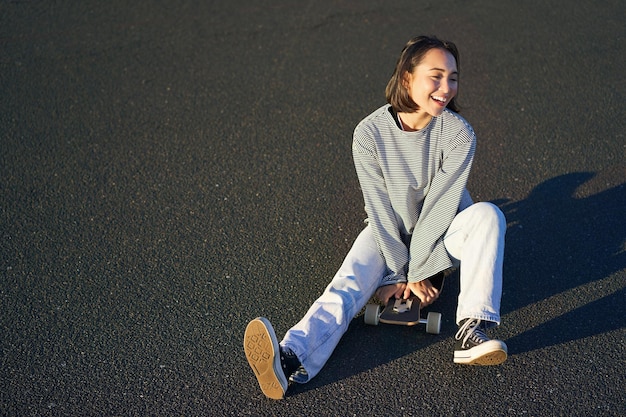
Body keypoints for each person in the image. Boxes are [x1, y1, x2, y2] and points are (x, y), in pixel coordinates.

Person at [243, 35, 508, 400]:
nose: (446, 88)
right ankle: (290, 358)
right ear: (406, 79)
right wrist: (397, 273)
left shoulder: (459, 134)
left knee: (489, 216)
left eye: (453, 77)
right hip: (389, 231)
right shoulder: (368, 134)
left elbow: (440, 208)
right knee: (348, 285)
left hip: (444, 230)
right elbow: (379, 208)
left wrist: (417, 274)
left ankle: (473, 327)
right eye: (435, 76)